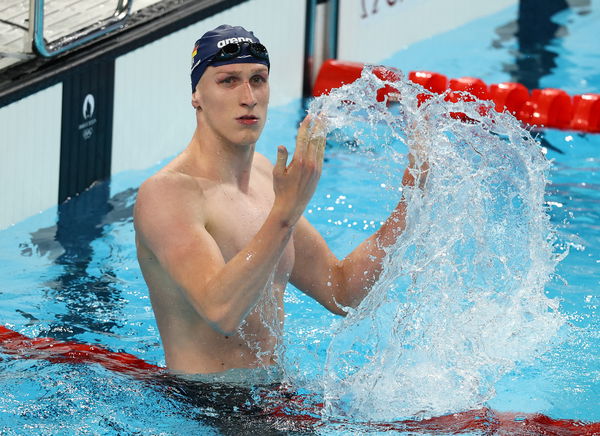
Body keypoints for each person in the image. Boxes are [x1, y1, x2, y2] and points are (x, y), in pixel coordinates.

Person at [133, 24, 425, 376]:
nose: (248, 96)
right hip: (206, 408)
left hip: (272, 397)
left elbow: (342, 290)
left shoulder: (263, 174)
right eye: (228, 81)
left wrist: (412, 199)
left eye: (258, 79)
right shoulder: (168, 194)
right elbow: (221, 311)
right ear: (197, 94)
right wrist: (286, 211)